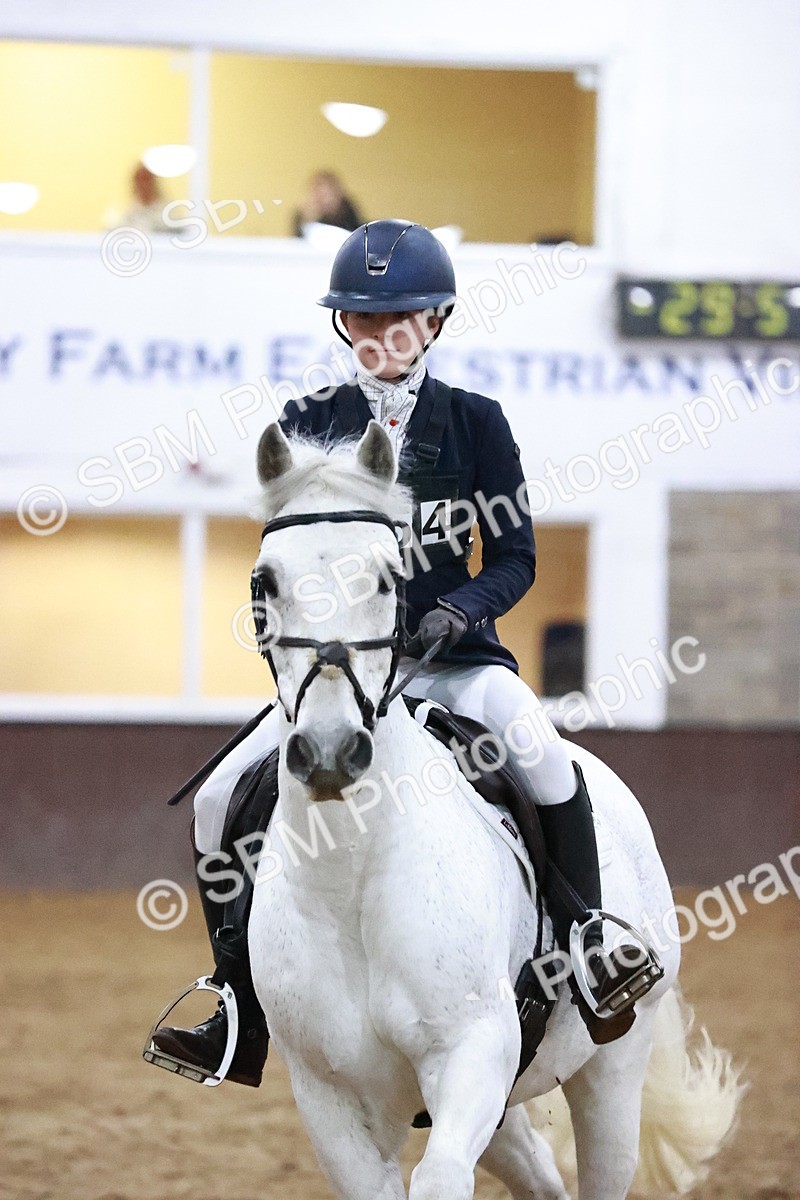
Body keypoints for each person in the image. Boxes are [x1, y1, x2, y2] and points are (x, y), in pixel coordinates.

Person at [149, 220, 662, 1088]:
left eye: (401, 317)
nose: (380, 334)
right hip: (340, 676)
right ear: (343, 325)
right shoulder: (309, 425)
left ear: (437, 320)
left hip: (456, 662)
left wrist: (461, 610)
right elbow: (282, 563)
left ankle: (592, 936)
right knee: (215, 804)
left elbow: (515, 559)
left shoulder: (476, 425)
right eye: (361, 317)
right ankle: (237, 1003)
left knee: (542, 760)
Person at [292, 169, 363, 238]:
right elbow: (299, 239)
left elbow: (351, 234)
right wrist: (308, 221)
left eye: (324, 195)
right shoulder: (304, 214)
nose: (319, 199)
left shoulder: (347, 211)